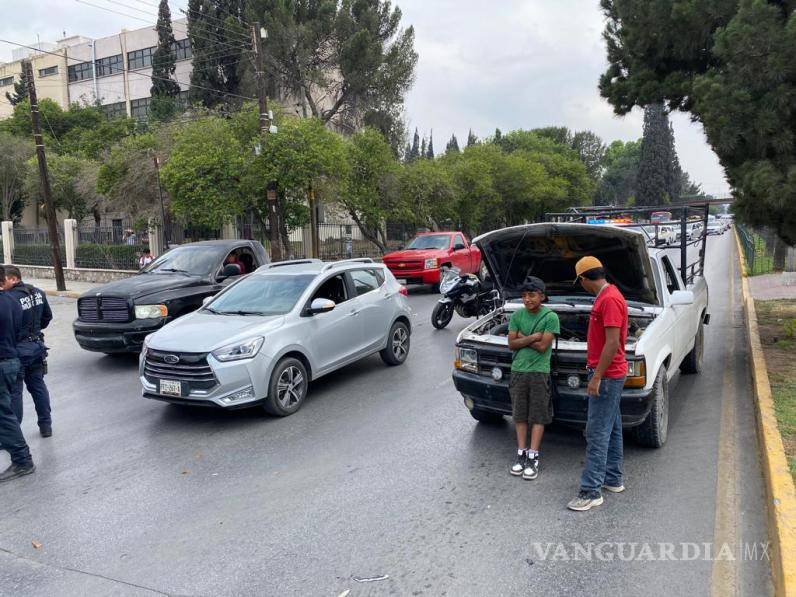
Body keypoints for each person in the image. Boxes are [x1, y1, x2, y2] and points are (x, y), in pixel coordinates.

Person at [567, 256, 629, 512]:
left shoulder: (610, 299)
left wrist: (596, 377)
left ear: (584, 279)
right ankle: (613, 479)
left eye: (579, 281)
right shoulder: (608, 296)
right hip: (609, 374)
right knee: (612, 428)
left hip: (607, 375)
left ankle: (591, 490)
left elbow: (612, 343)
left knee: (596, 433)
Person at [507, 276, 560, 480]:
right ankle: (521, 453)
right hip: (518, 370)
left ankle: (533, 455)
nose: (527, 299)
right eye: (524, 295)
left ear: (542, 296)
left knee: (538, 415)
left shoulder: (550, 317)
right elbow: (511, 344)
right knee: (519, 414)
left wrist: (521, 338)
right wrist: (532, 337)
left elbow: (542, 346)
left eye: (531, 295)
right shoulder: (517, 315)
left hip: (539, 371)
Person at [3, 266, 53, 438]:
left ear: (13, 279)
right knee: (38, 386)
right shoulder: (38, 292)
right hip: (37, 346)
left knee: (15, 393)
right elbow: (47, 317)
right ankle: (46, 426)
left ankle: (13, 435)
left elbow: (7, 325)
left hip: (18, 350)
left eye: (3, 280)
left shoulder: (9, 298)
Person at [0, 265, 35, 482]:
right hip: (11, 358)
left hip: (2, 362)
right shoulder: (12, 300)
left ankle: (23, 461)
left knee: (3, 415)